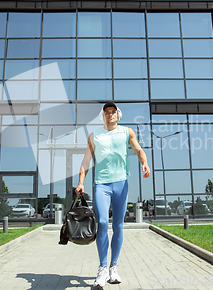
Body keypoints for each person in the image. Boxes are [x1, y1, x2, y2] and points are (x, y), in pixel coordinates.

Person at [75, 101, 150, 288]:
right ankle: (102, 268)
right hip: (101, 184)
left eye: (113, 111)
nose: (110, 114)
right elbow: (86, 160)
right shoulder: (95, 135)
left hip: (121, 183)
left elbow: (138, 149)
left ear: (118, 114)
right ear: (103, 115)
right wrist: (81, 182)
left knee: (118, 225)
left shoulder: (127, 132)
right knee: (101, 223)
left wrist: (144, 163)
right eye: (107, 112)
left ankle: (113, 267)